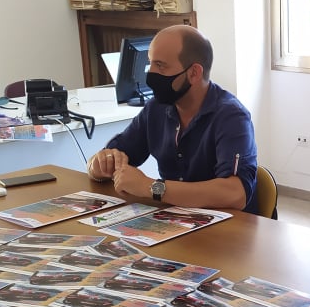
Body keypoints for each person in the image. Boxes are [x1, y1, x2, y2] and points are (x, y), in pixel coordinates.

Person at [87, 25, 258, 213]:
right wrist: (98, 165)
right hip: (176, 219)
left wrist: (151, 187)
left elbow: (236, 194)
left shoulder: (231, 116)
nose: (150, 75)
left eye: (160, 66)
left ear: (194, 73)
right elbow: (112, 157)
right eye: (150, 63)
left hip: (230, 224)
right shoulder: (156, 108)